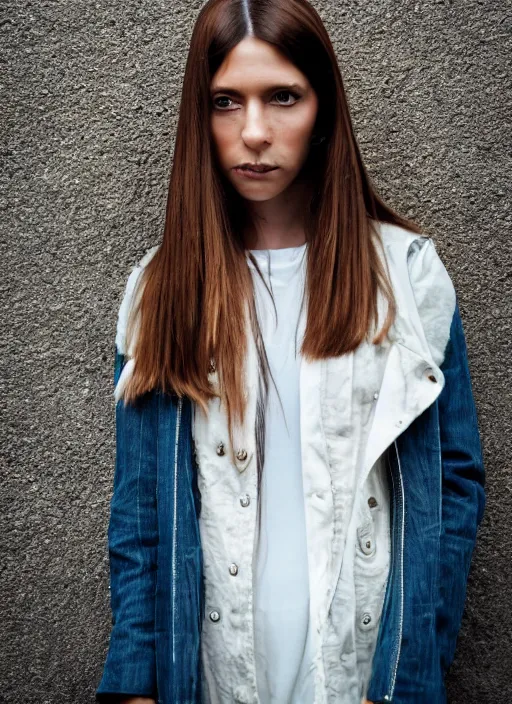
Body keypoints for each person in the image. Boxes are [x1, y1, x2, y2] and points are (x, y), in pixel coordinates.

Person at [95, 0, 486, 702]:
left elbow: (450, 493)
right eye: (225, 101)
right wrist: (134, 684)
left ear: (324, 109)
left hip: (359, 675)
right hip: (211, 677)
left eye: (282, 97)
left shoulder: (406, 276)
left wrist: (404, 675)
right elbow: (139, 516)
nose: (253, 132)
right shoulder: (159, 293)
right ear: (199, 117)